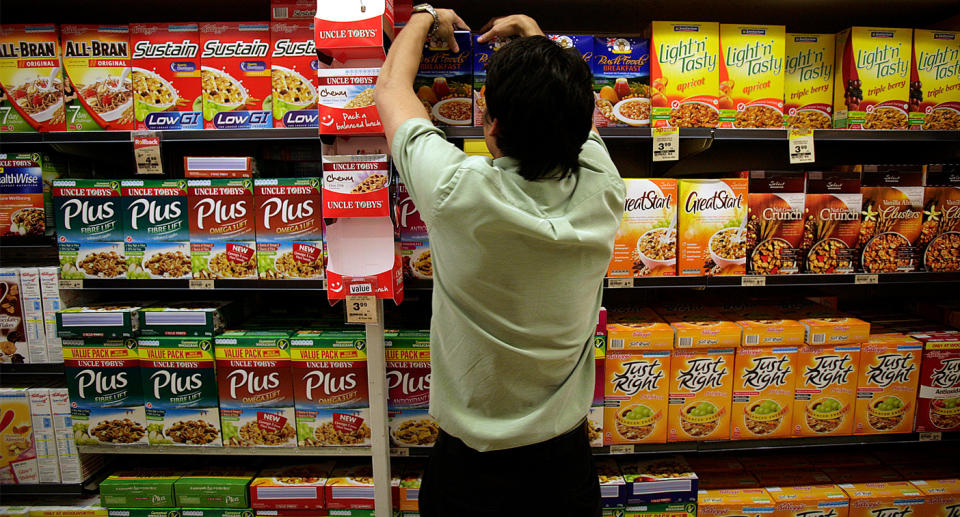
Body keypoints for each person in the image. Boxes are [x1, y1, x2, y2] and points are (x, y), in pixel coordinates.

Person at [375, 8, 625, 517]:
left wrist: (426, 14)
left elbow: (390, 88)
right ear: (582, 130)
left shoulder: (455, 190)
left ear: (491, 127)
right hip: (564, 470)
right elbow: (581, 117)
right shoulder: (604, 187)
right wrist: (535, 35)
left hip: (468, 473)